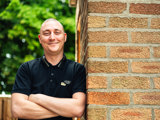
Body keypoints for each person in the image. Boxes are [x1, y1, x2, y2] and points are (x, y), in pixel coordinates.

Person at [11, 18, 86, 120]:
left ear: (64, 37)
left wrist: (38, 98)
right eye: (46, 33)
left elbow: (77, 109)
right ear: (40, 38)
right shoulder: (26, 68)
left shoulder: (77, 69)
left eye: (57, 32)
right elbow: (17, 110)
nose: (52, 37)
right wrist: (64, 110)